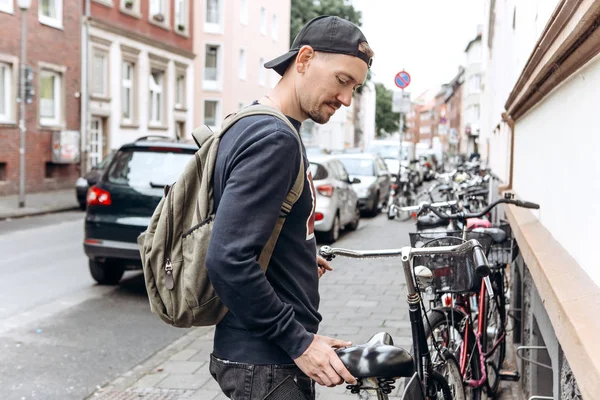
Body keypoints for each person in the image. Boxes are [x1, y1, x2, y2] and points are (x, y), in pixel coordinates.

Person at [205, 15, 374, 400]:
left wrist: (292, 256)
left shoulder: (253, 122)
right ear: (305, 59)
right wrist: (298, 342)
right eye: (342, 80)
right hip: (266, 364)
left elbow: (245, 230)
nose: (347, 99)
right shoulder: (273, 137)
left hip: (261, 359)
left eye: (356, 87)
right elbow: (228, 259)